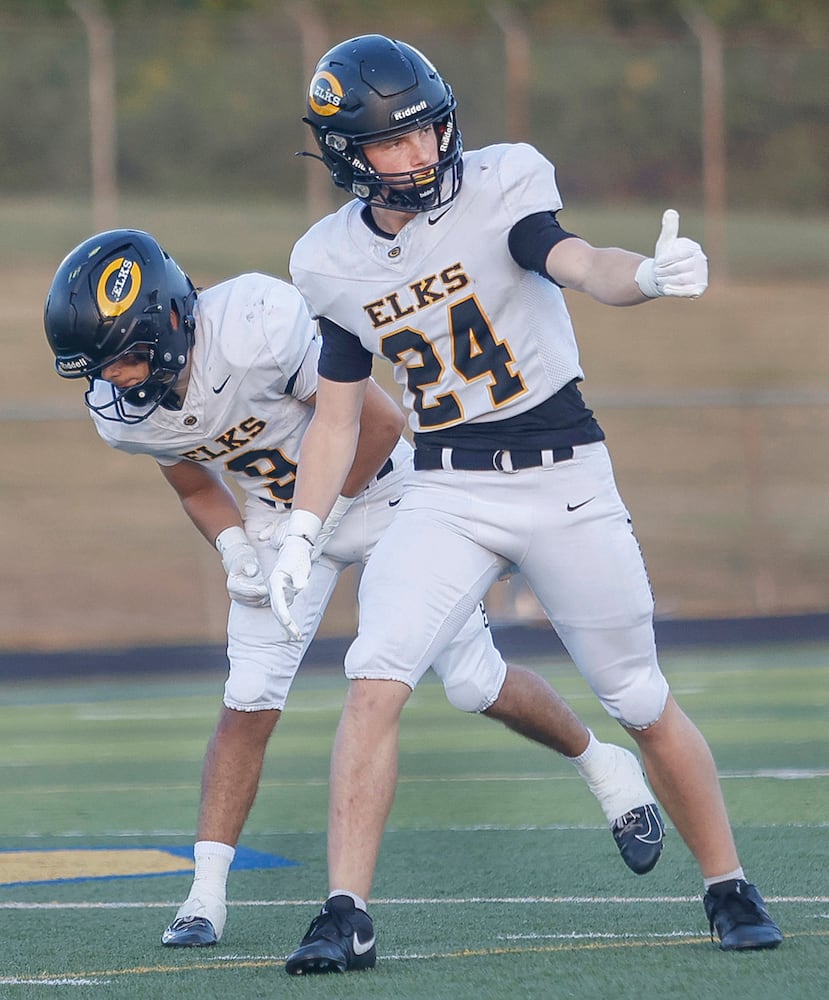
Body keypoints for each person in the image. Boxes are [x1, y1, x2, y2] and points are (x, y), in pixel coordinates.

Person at [269, 34, 783, 973]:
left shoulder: (502, 184)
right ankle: (345, 911)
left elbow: (575, 260)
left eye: (427, 132)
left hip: (563, 473)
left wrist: (646, 279)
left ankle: (726, 882)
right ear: (348, 154)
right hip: (447, 487)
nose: (421, 154)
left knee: (637, 694)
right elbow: (338, 417)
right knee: (374, 674)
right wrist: (304, 527)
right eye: (394, 143)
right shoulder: (328, 261)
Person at [43, 229, 667, 950]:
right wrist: (235, 545)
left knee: (472, 682)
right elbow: (188, 477)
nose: (115, 379)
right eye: (99, 366)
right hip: (276, 524)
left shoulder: (253, 323)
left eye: (124, 356)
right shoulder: (122, 412)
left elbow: (376, 420)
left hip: (381, 490)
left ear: (171, 320)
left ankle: (603, 765)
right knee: (248, 699)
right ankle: (204, 895)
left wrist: (315, 523)